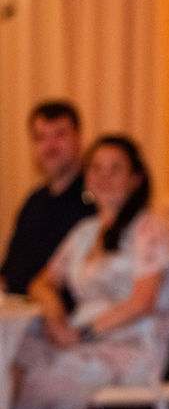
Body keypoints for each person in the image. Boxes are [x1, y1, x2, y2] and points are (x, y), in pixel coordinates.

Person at [11, 135, 169, 409]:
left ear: (135, 179)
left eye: (115, 169)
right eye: (96, 168)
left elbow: (143, 302)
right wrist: (56, 316)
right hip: (81, 337)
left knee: (47, 378)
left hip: (129, 342)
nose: (104, 177)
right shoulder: (84, 233)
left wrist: (82, 334)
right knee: (13, 358)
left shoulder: (147, 228)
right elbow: (40, 283)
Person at [1, 101, 95, 295]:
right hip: (18, 306)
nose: (50, 146)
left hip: (68, 310)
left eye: (60, 135)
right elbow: (9, 271)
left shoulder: (97, 199)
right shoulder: (33, 202)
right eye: (40, 137)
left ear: (78, 139)